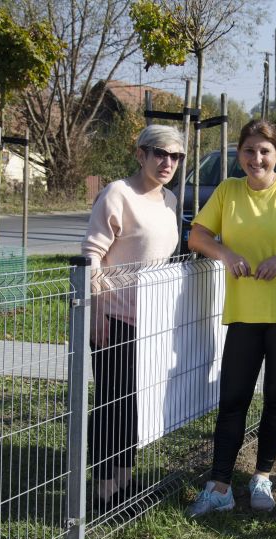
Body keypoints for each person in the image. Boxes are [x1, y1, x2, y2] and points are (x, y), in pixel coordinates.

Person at [185, 119, 276, 517]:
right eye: (249, 150)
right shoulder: (228, 191)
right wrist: (226, 253)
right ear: (239, 155)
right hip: (245, 313)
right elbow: (197, 236)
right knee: (233, 399)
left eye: (264, 151)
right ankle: (219, 486)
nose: (256, 158)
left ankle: (262, 476)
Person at [81, 124, 186, 510]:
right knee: (112, 402)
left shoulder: (170, 201)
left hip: (151, 323)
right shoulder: (118, 194)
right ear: (141, 155)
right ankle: (103, 490)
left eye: (176, 156)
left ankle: (125, 481)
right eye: (160, 153)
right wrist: (96, 311)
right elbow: (91, 255)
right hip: (114, 319)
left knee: (136, 404)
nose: (167, 162)